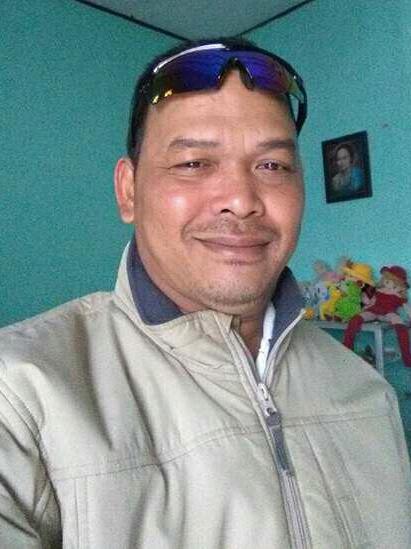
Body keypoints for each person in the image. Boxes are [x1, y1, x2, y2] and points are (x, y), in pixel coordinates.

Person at [0, 37, 410, 548]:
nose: (240, 200)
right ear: (128, 191)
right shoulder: (20, 396)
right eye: (193, 163)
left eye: (272, 165)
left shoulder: (368, 392)